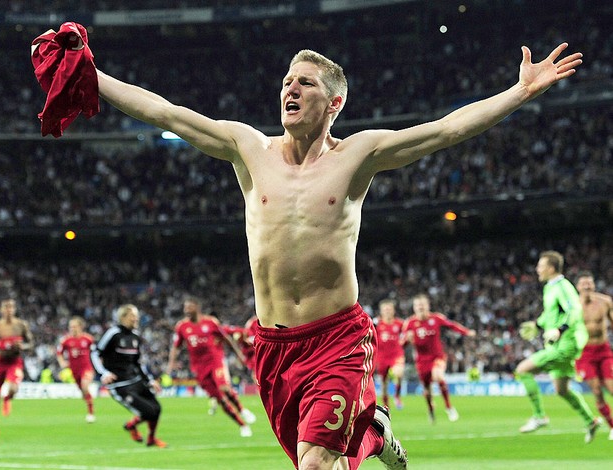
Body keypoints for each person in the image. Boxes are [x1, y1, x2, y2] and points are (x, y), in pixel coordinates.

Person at [80, 33, 582, 469]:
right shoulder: (248, 148)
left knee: (315, 460)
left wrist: (519, 92)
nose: (289, 89)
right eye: (286, 82)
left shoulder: (357, 155)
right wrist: (90, 73)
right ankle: (376, 433)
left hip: (337, 338)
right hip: (273, 347)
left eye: (305, 82)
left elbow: (446, 130)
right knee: (325, 459)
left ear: (334, 102)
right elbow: (165, 111)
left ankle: (367, 430)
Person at [516, 251, 602, 443]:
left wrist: (560, 330)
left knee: (523, 370)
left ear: (551, 268)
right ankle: (591, 421)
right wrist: (538, 325)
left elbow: (574, 310)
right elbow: (550, 314)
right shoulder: (550, 287)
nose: (537, 269)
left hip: (566, 344)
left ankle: (539, 416)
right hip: (557, 343)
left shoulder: (563, 286)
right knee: (561, 389)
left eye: (541, 265)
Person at [166, 296, 256, 437]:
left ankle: (242, 409)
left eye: (189, 307)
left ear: (197, 307)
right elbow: (176, 347)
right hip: (199, 368)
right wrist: (171, 364)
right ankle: (242, 425)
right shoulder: (182, 327)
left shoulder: (211, 322)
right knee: (220, 399)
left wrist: (239, 355)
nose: (186, 310)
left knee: (224, 388)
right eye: (185, 308)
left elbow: (227, 339)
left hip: (215, 361)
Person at [90, 304, 167, 448]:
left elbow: (137, 363)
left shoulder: (135, 337)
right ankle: (131, 426)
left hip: (136, 380)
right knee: (148, 411)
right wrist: (103, 373)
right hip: (120, 385)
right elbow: (95, 353)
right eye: (133, 315)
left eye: (136, 315)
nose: (136, 318)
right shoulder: (113, 334)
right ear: (123, 317)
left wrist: (149, 381)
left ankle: (151, 439)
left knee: (157, 408)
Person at [402, 294, 475, 423]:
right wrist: (406, 340)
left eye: (423, 305)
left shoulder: (436, 318)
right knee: (427, 390)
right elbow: (401, 343)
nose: (420, 307)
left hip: (437, 357)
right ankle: (430, 409)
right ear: (414, 308)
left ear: (428, 306)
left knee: (439, 376)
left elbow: (452, 325)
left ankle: (449, 407)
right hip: (421, 361)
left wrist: (466, 332)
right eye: (418, 305)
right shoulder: (410, 323)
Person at [575, 271, 613, 440]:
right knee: (597, 391)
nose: (587, 286)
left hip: (604, 350)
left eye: (589, 283)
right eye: (583, 283)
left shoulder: (605, 302)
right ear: (577, 287)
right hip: (584, 353)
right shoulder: (573, 306)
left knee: (612, 388)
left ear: (594, 285)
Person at [0, 296, 34, 440]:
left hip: (15, 361)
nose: (9, 310)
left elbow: (31, 344)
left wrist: (23, 346)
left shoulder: (21, 325)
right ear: (1, 310)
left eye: (11, 307)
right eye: (6, 307)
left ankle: (8, 399)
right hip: (0, 361)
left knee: (13, 388)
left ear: (14, 310)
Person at [56, 316, 96, 423]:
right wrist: (62, 362)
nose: (72, 329)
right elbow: (59, 352)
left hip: (87, 368)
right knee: (83, 393)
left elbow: (97, 351)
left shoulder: (88, 339)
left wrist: (99, 362)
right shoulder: (66, 340)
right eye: (71, 327)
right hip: (74, 371)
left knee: (85, 385)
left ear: (80, 327)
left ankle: (91, 413)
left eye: (74, 326)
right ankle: (89, 400)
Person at [374, 299, 405, 410]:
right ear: (381, 311)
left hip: (396, 355)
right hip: (381, 357)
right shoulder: (376, 324)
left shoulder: (400, 324)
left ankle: (397, 395)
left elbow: (407, 334)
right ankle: (386, 407)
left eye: (389, 309)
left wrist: (406, 340)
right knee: (384, 384)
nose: (387, 311)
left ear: (393, 311)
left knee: (399, 373)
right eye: (385, 309)